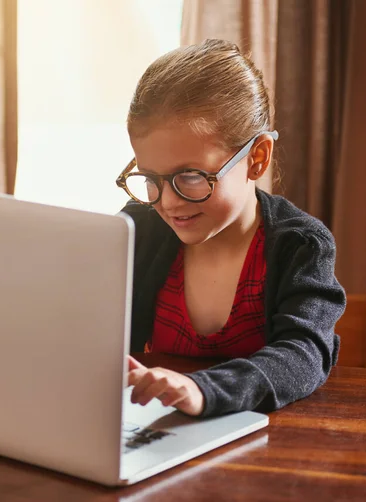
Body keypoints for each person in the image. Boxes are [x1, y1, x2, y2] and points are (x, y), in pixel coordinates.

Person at [117, 39, 346, 418]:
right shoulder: (137, 230)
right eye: (149, 177)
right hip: (159, 433)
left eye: (190, 176)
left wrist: (202, 390)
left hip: (267, 444)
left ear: (256, 159)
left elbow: (303, 355)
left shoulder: (300, 246)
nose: (168, 202)